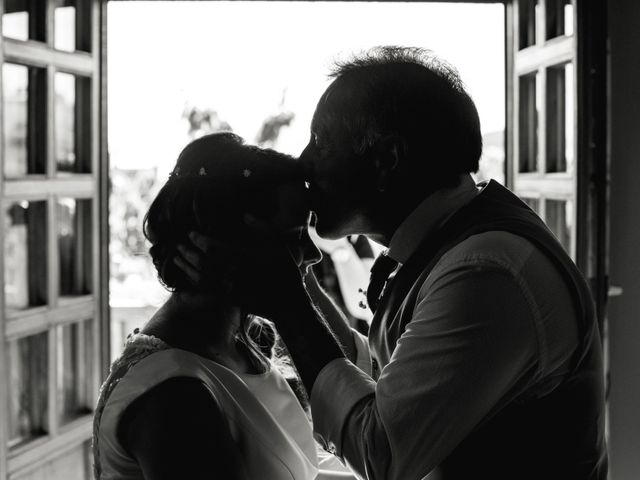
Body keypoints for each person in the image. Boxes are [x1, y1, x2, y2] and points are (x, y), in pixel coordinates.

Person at [181, 47, 608, 479]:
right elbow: (383, 380)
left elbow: (382, 451)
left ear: (387, 160)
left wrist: (288, 303)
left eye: (321, 141)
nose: (303, 162)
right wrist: (291, 276)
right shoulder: (450, 245)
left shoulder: (486, 272)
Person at [93, 132, 361, 480]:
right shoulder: (174, 395)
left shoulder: (247, 341)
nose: (313, 256)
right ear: (228, 242)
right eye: (295, 236)